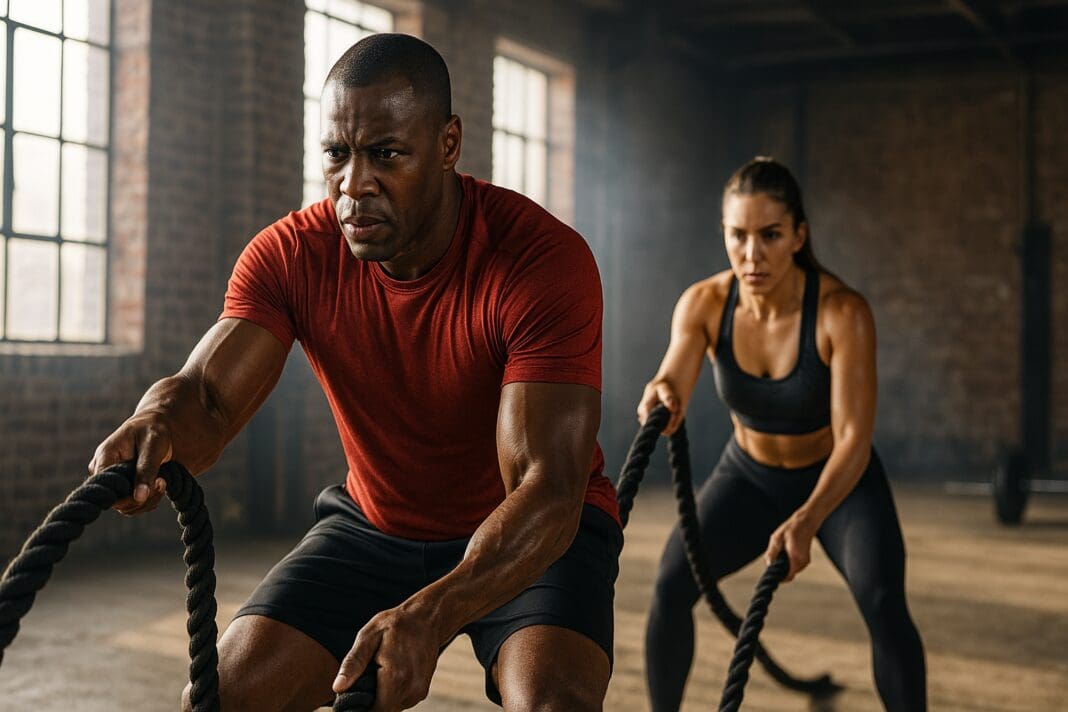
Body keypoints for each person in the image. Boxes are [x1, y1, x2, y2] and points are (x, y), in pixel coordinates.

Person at [88, 33, 621, 712]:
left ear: (448, 144)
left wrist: (431, 613)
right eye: (337, 154)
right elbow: (206, 399)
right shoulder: (291, 254)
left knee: (554, 706)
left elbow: (548, 489)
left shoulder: (541, 261)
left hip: (529, 535)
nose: (353, 184)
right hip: (376, 525)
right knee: (216, 700)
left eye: (386, 155)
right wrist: (156, 422)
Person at [637, 157, 927, 711]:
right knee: (671, 585)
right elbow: (672, 375)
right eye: (738, 236)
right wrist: (662, 394)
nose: (752, 255)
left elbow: (853, 441)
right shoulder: (704, 303)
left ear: (798, 235)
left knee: (884, 601)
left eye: (770, 235)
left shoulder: (842, 313)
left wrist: (808, 519)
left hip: (841, 483)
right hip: (749, 477)